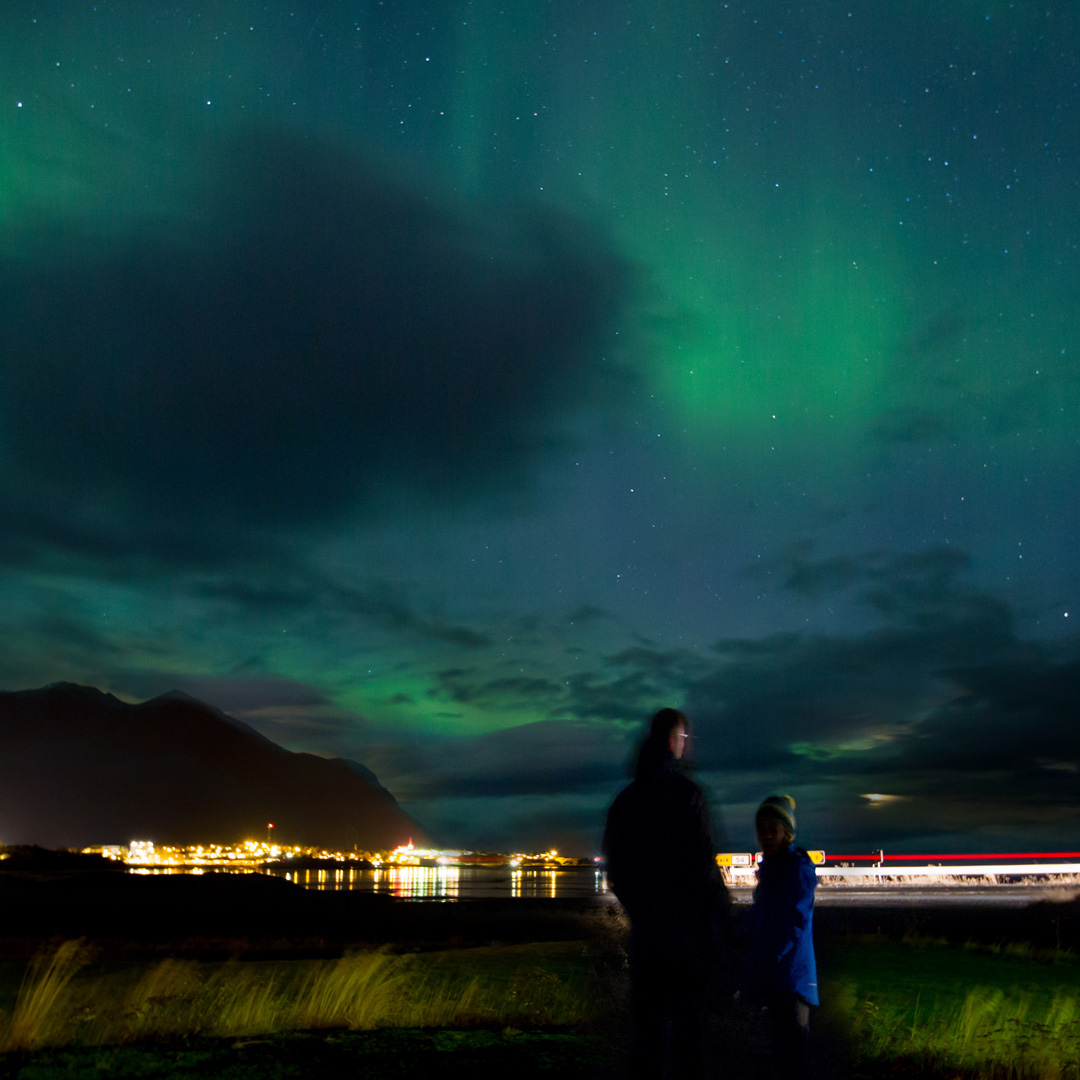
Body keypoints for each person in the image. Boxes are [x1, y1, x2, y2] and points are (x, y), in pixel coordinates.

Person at [602, 708, 730, 1080]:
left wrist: (642, 911)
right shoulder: (688, 795)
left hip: (648, 940)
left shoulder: (627, 800)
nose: (686, 746)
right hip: (688, 940)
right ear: (674, 740)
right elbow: (705, 867)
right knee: (689, 1039)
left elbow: (616, 871)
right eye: (685, 738)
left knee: (647, 1039)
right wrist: (726, 923)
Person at [749, 794, 818, 1076]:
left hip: (792, 980)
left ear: (786, 832)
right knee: (781, 1056)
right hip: (778, 978)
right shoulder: (772, 869)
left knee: (793, 1058)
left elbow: (793, 924)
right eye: (761, 828)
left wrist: (767, 959)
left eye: (772, 829)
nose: (765, 835)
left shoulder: (797, 868)